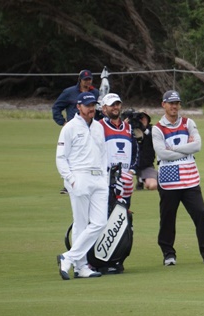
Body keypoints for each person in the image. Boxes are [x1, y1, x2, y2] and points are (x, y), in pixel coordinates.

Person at [152, 90, 204, 266]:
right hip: (169, 181)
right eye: (171, 103)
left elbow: (198, 145)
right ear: (163, 105)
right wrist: (185, 148)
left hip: (189, 178)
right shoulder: (157, 129)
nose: (174, 106)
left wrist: (174, 149)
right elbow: (162, 153)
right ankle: (168, 254)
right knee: (167, 218)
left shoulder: (188, 123)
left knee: (201, 214)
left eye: (177, 103)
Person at [56, 92, 108, 280]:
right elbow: (61, 157)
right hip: (79, 177)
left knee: (100, 222)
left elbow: (103, 154)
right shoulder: (69, 128)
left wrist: (105, 178)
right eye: (87, 105)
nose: (91, 109)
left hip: (98, 179)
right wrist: (71, 180)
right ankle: (81, 267)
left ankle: (68, 258)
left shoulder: (98, 127)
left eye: (93, 105)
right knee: (80, 223)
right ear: (79, 107)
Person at [52, 69, 100, 194]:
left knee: (86, 155)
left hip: (89, 128)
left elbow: (98, 110)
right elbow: (56, 107)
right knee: (68, 155)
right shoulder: (69, 92)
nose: (87, 82)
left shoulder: (95, 92)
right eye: (85, 80)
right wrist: (63, 122)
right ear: (80, 80)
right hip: (72, 128)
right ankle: (68, 183)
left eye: (89, 79)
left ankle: (88, 182)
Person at [98, 93, 139, 208]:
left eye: (117, 104)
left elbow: (136, 152)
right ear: (104, 108)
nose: (115, 107)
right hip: (106, 180)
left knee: (124, 215)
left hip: (125, 180)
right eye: (112, 105)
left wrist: (131, 171)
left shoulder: (128, 128)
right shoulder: (98, 126)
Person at [134, 112, 158, 190]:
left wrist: (144, 130)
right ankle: (140, 178)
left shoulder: (153, 129)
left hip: (146, 165)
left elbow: (153, 139)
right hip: (129, 166)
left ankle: (141, 179)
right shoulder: (130, 129)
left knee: (152, 186)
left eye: (144, 118)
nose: (142, 120)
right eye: (140, 118)